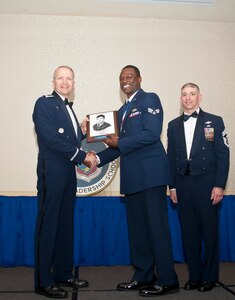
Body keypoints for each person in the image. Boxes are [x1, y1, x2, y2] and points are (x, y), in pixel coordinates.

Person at [96, 65, 179, 296]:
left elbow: (151, 134)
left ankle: (168, 280)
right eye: (122, 78)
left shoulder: (149, 99)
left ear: (139, 79)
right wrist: (94, 159)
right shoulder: (120, 112)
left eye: (130, 77)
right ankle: (143, 276)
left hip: (151, 175)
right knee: (138, 231)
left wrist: (119, 143)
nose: (126, 80)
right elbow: (117, 147)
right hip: (132, 178)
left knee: (157, 229)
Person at [32, 65, 97, 298]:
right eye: (60, 78)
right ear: (53, 82)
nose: (65, 82)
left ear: (73, 83)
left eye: (69, 79)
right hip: (52, 171)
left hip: (67, 172)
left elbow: (68, 139)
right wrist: (82, 156)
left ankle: (62, 273)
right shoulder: (45, 103)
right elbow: (50, 139)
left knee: (64, 224)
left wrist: (82, 131)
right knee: (49, 225)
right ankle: (43, 280)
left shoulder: (67, 106)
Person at [167, 83, 230, 292]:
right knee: (189, 233)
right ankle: (195, 275)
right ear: (180, 98)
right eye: (184, 94)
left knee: (210, 232)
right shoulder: (173, 125)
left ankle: (210, 277)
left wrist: (219, 185)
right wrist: (172, 186)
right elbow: (171, 158)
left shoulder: (215, 121)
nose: (188, 98)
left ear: (200, 97)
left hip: (206, 183)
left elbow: (223, 155)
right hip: (182, 184)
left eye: (192, 94)